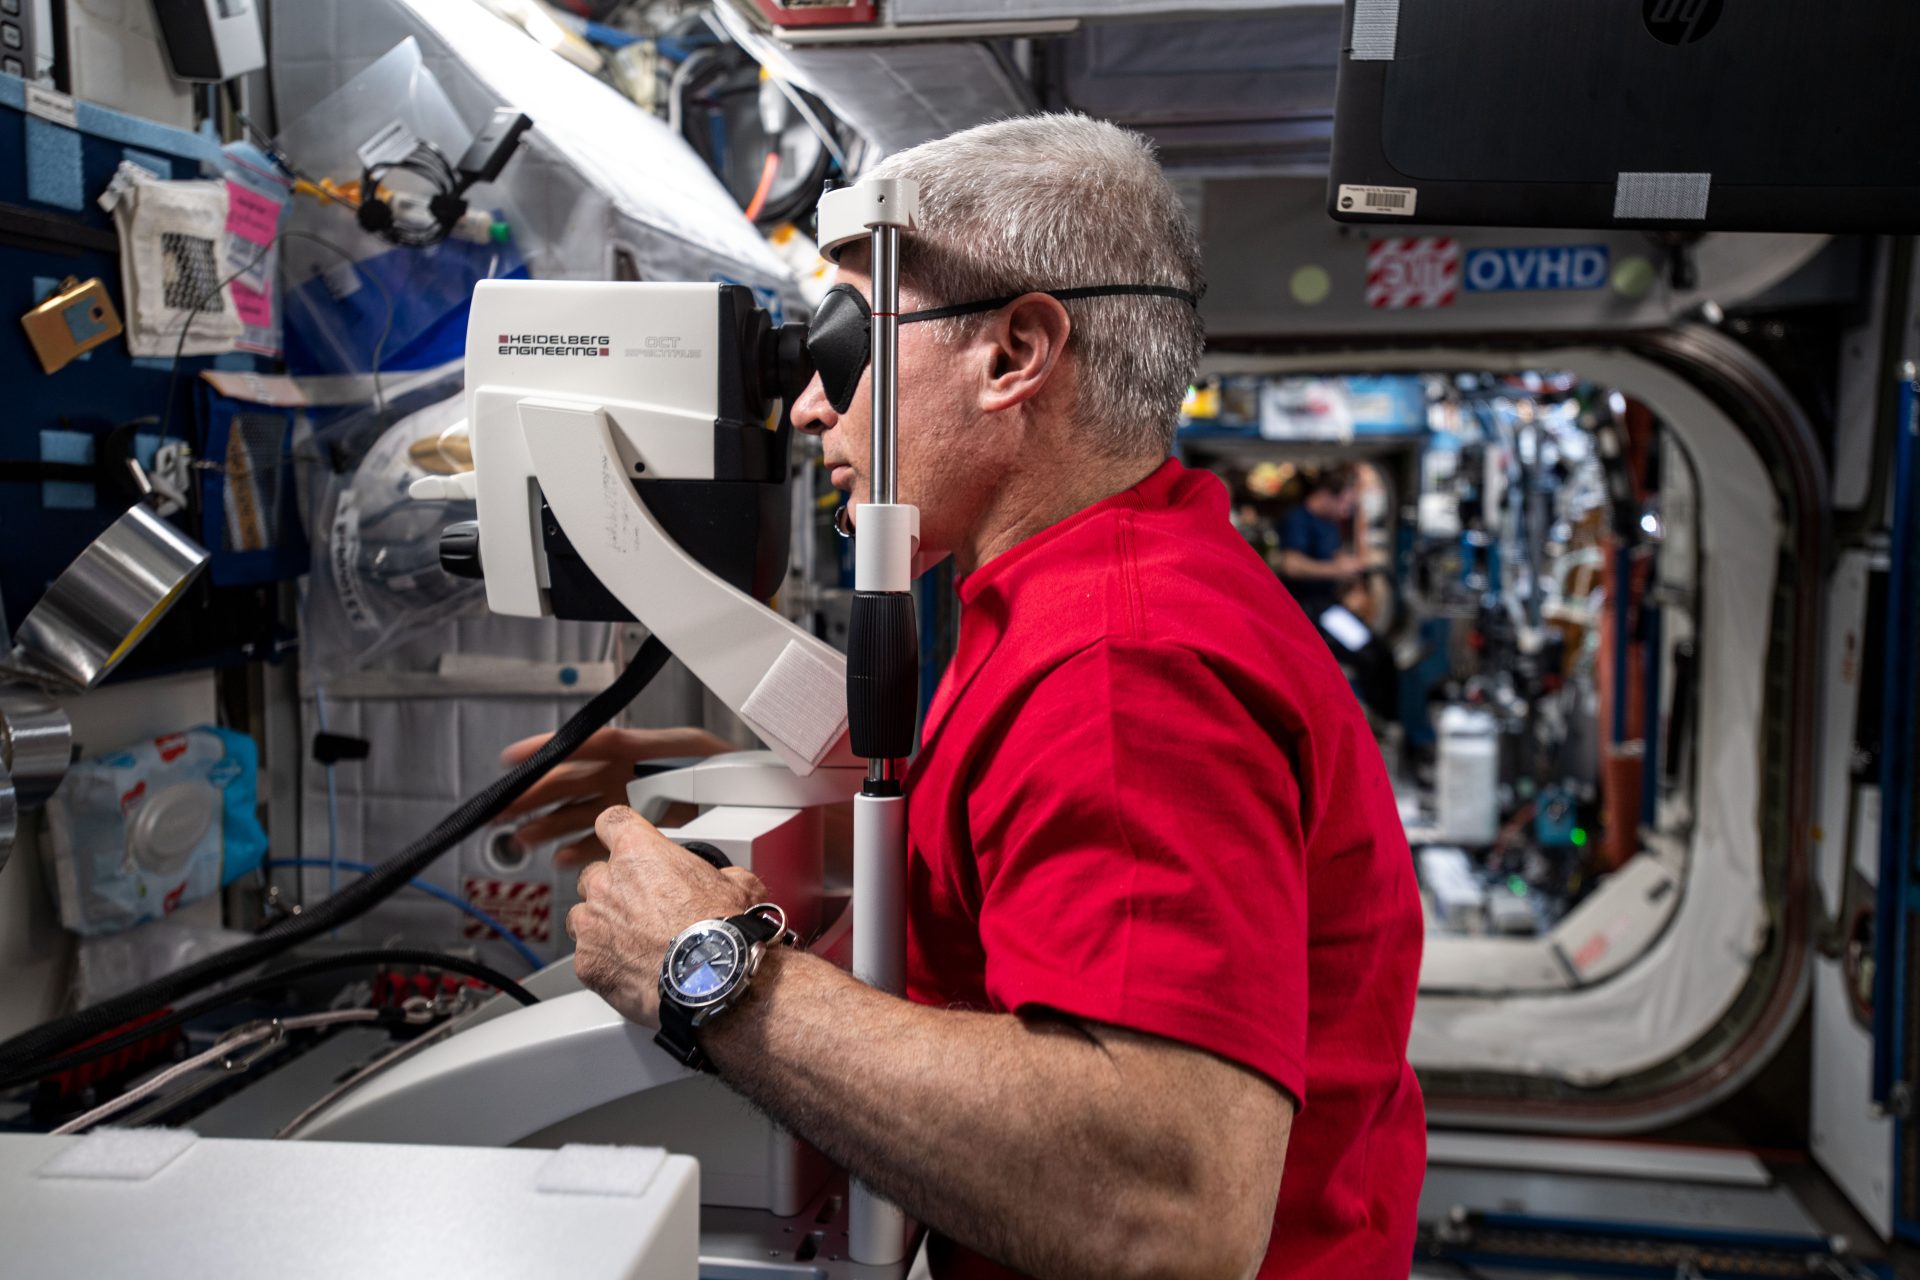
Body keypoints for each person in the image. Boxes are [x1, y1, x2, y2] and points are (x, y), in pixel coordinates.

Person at [495, 113, 1425, 1280]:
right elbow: (1031, 855)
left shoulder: (1122, 664)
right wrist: (765, 798)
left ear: (1013, 354)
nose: (810, 409)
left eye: (843, 350)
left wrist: (710, 969)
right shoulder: (1089, 586)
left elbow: (1169, 1208)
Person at [1276, 466, 1365, 619]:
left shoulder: (1330, 523)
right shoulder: (1297, 520)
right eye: (1343, 503)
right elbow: (1290, 565)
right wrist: (1335, 570)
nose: (1345, 511)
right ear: (1325, 496)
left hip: (1327, 603)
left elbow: (1333, 554)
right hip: (1301, 607)